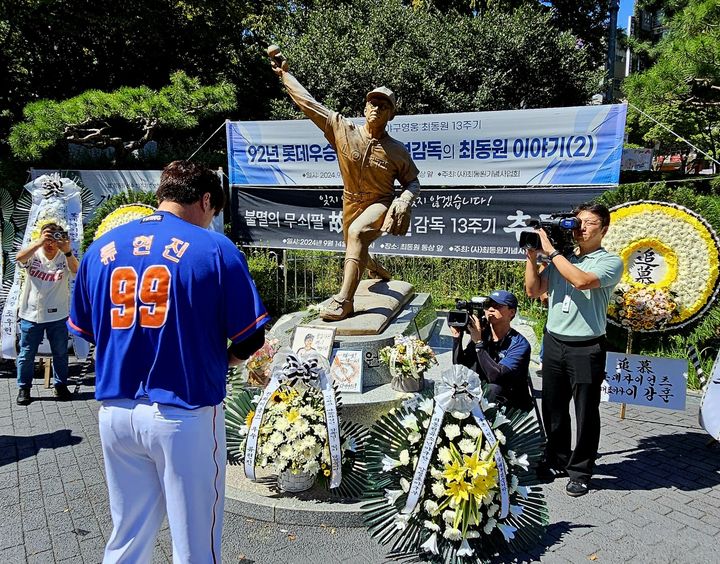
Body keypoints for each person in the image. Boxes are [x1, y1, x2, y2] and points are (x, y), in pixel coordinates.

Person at [68, 160, 269, 562]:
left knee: (128, 537)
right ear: (206, 200)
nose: (211, 219)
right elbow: (252, 337)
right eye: (213, 211)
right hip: (184, 415)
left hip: (115, 413)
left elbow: (84, 332)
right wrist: (226, 358)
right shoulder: (213, 248)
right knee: (195, 545)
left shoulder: (103, 249)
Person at [269, 47, 421, 321]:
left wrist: (404, 200)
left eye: (384, 105)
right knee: (354, 244)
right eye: (373, 103)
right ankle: (378, 270)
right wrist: (285, 75)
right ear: (364, 107)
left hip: (380, 202)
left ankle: (344, 301)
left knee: (359, 234)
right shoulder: (343, 129)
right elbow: (308, 103)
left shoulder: (397, 150)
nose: (376, 108)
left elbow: (413, 181)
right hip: (350, 200)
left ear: (391, 115)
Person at [524, 202, 623, 498]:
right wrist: (531, 256)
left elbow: (581, 281)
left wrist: (551, 252)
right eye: (578, 221)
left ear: (603, 229)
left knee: (585, 411)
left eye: (589, 223)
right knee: (553, 407)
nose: (581, 228)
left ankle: (580, 470)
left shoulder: (610, 261)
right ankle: (557, 459)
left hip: (586, 347)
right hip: (554, 342)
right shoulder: (563, 257)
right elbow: (534, 290)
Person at [15, 222, 79, 405]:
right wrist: (38, 242)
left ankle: (60, 386)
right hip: (31, 314)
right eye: (47, 237)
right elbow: (19, 258)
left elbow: (76, 270)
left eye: (54, 237)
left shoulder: (63, 257)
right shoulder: (33, 254)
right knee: (26, 353)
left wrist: (67, 250)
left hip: (57, 315)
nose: (50, 242)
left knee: (60, 352)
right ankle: (24, 388)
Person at [450, 289, 533, 412]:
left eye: (497, 306)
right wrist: (457, 339)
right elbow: (461, 367)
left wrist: (479, 344)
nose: (491, 309)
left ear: (512, 312)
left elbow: (496, 377)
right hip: (481, 393)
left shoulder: (519, 344)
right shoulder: (483, 334)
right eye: (488, 305)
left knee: (493, 388)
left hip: (510, 399)